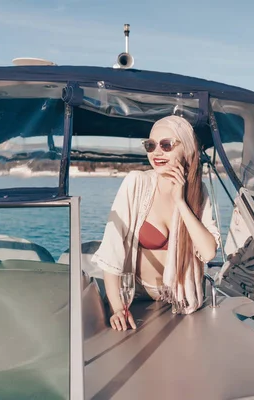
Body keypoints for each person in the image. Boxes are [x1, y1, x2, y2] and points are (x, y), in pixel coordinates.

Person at [92, 115, 220, 330]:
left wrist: (181, 202)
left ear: (187, 149)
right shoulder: (137, 182)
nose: (157, 152)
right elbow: (112, 248)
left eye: (166, 145)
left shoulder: (199, 192)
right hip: (136, 295)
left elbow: (208, 253)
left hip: (181, 298)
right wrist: (117, 309)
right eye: (150, 145)